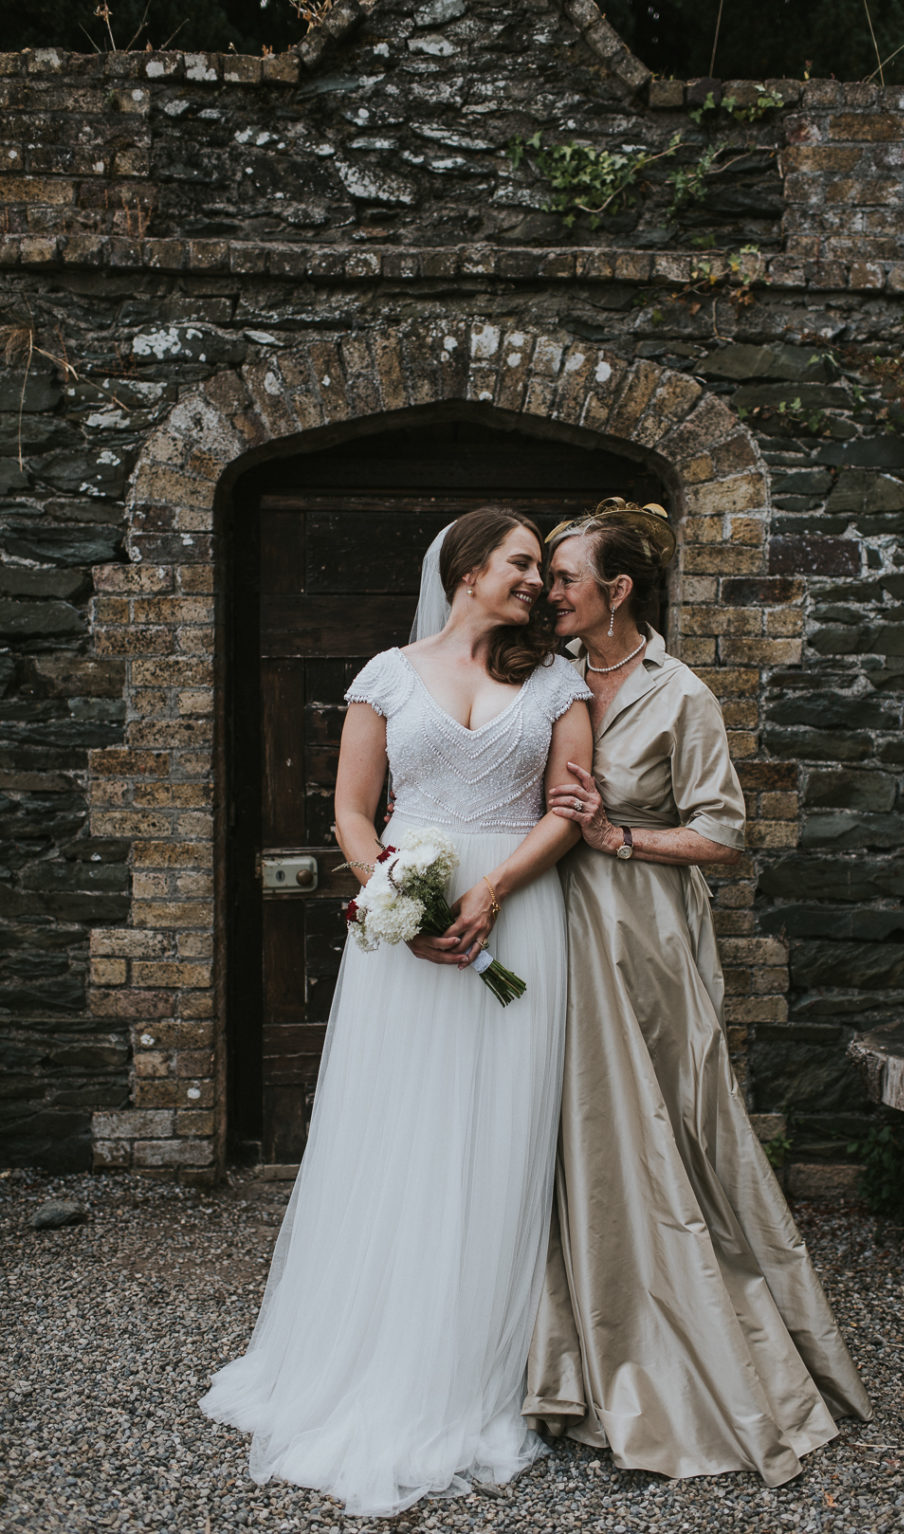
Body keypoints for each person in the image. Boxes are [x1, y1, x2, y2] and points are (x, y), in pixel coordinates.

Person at [200, 508, 592, 1516]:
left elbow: (565, 805)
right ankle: (371, 1347)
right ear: (466, 570)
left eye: (543, 571)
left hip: (518, 915)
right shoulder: (385, 674)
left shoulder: (554, 682)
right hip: (404, 937)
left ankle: (481, 1368)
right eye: (519, 565)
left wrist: (491, 891)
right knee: (397, 1133)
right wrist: (396, 901)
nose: (536, 585)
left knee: (500, 1137)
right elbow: (350, 810)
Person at [524, 498, 871, 1487]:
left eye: (564, 577)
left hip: (647, 940)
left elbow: (721, 837)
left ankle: (684, 1344)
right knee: (566, 1131)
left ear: (616, 591)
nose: (549, 591)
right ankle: (559, 1355)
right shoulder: (541, 679)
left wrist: (616, 836)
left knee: (666, 1131)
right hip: (554, 932)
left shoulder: (681, 696)